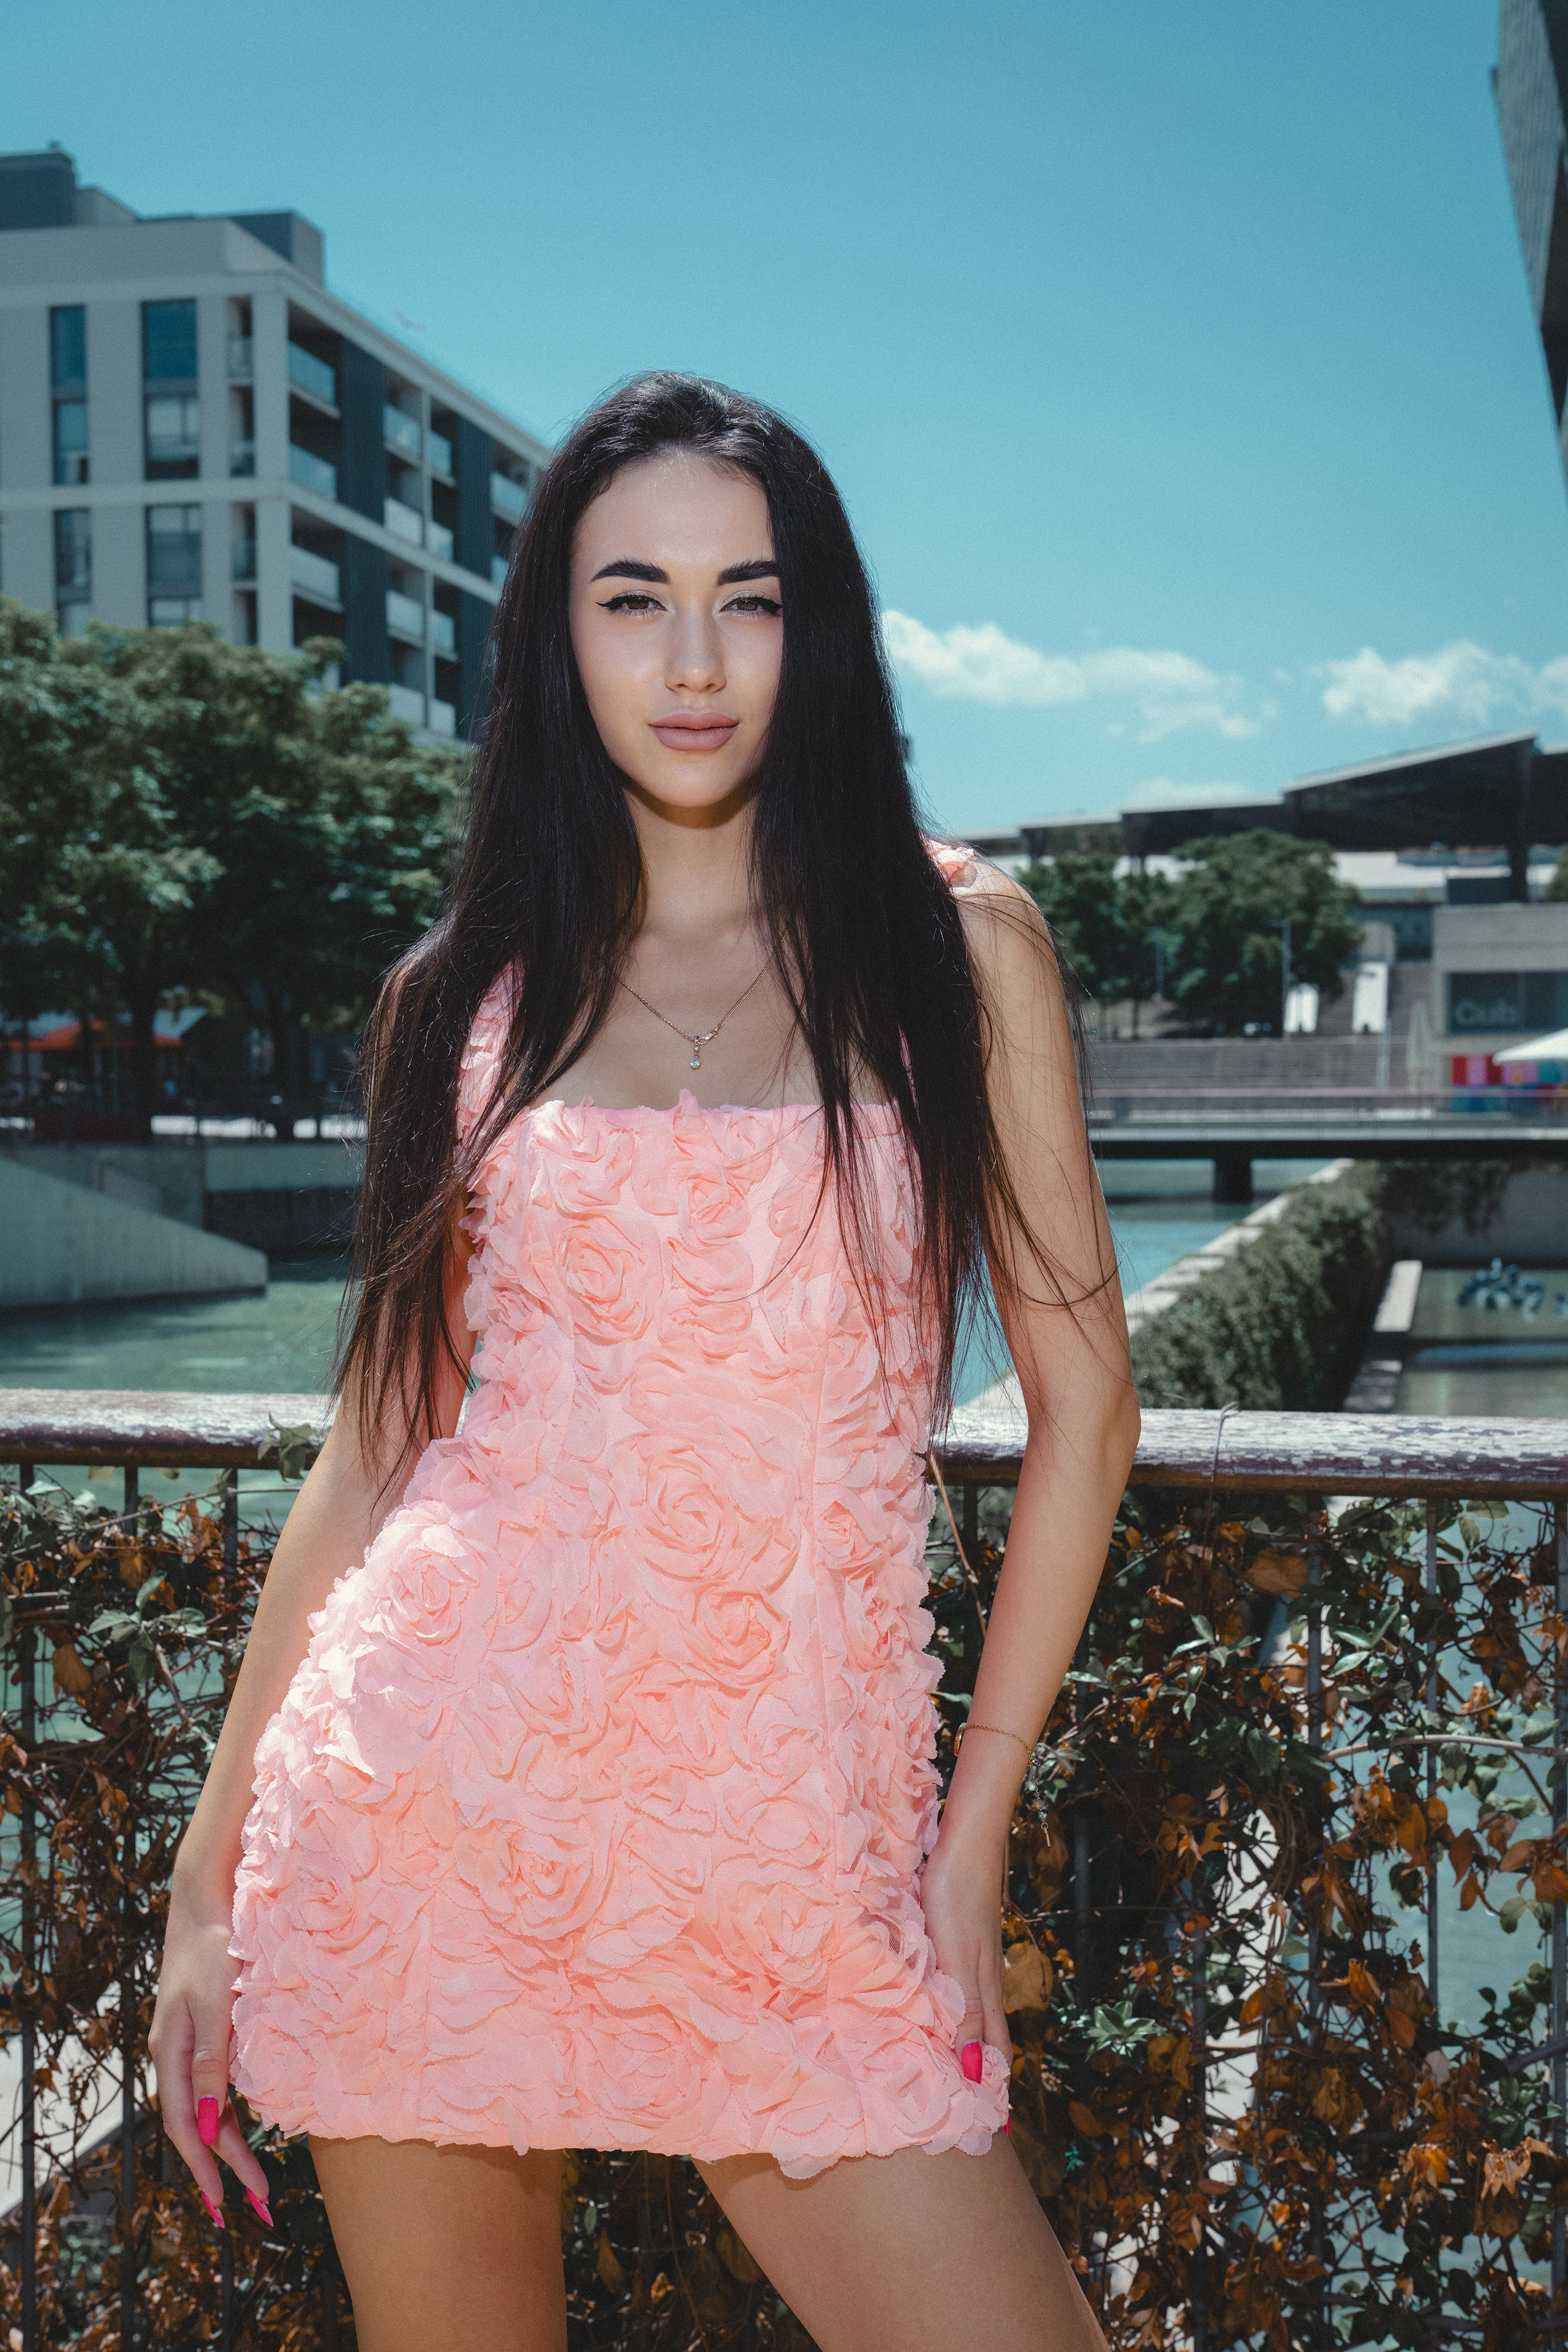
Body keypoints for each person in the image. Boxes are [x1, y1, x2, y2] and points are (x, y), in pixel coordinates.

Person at [150, 373, 1140, 2351]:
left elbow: (1087, 1408)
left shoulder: (961, 950)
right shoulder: (458, 1003)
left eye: (748, 597)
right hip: (428, 1821)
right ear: (555, 636)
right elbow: (375, 1452)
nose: (694, 660)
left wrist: (974, 1841)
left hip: (799, 1871)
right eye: (632, 596)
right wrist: (203, 1881)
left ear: (817, 629)